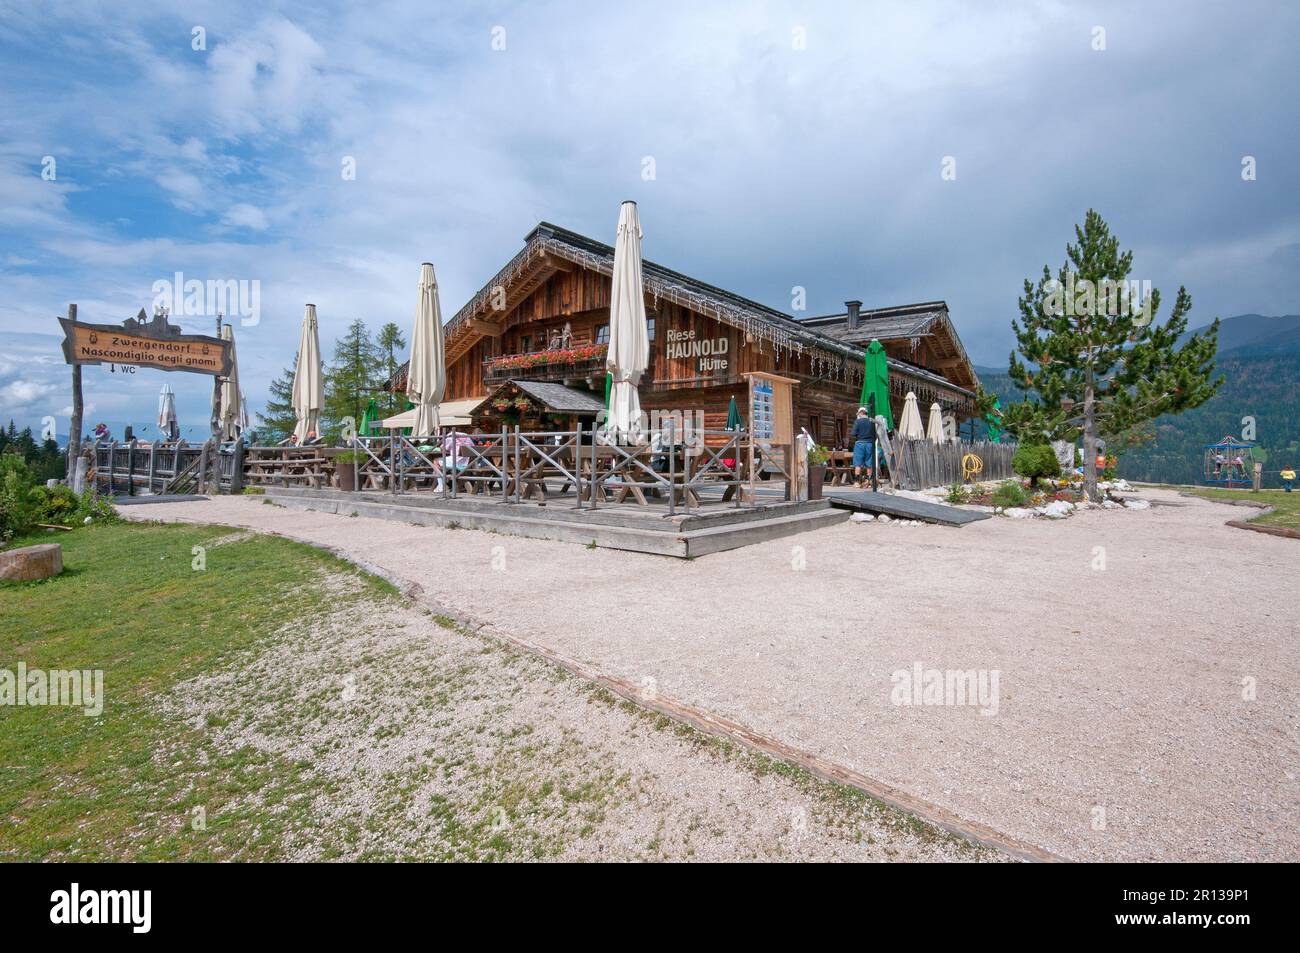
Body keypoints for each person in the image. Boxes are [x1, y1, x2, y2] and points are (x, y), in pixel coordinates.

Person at [851, 406, 875, 488]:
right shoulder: (871, 422)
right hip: (869, 443)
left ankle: (857, 482)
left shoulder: (857, 422)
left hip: (860, 443)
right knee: (869, 463)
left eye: (859, 414)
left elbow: (853, 433)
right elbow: (875, 434)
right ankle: (868, 481)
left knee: (858, 463)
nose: (858, 415)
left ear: (861, 413)